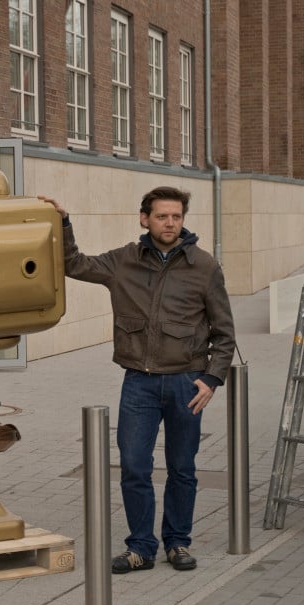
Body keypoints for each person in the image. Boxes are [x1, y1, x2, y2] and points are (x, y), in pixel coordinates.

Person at [42, 187, 235, 574]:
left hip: (186, 383)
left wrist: (212, 379)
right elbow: (74, 264)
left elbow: (224, 332)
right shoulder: (123, 261)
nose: (170, 223)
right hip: (139, 383)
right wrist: (62, 223)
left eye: (176, 217)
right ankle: (141, 547)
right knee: (133, 466)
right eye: (162, 216)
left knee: (182, 468)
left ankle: (177, 542)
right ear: (144, 219)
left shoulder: (204, 266)